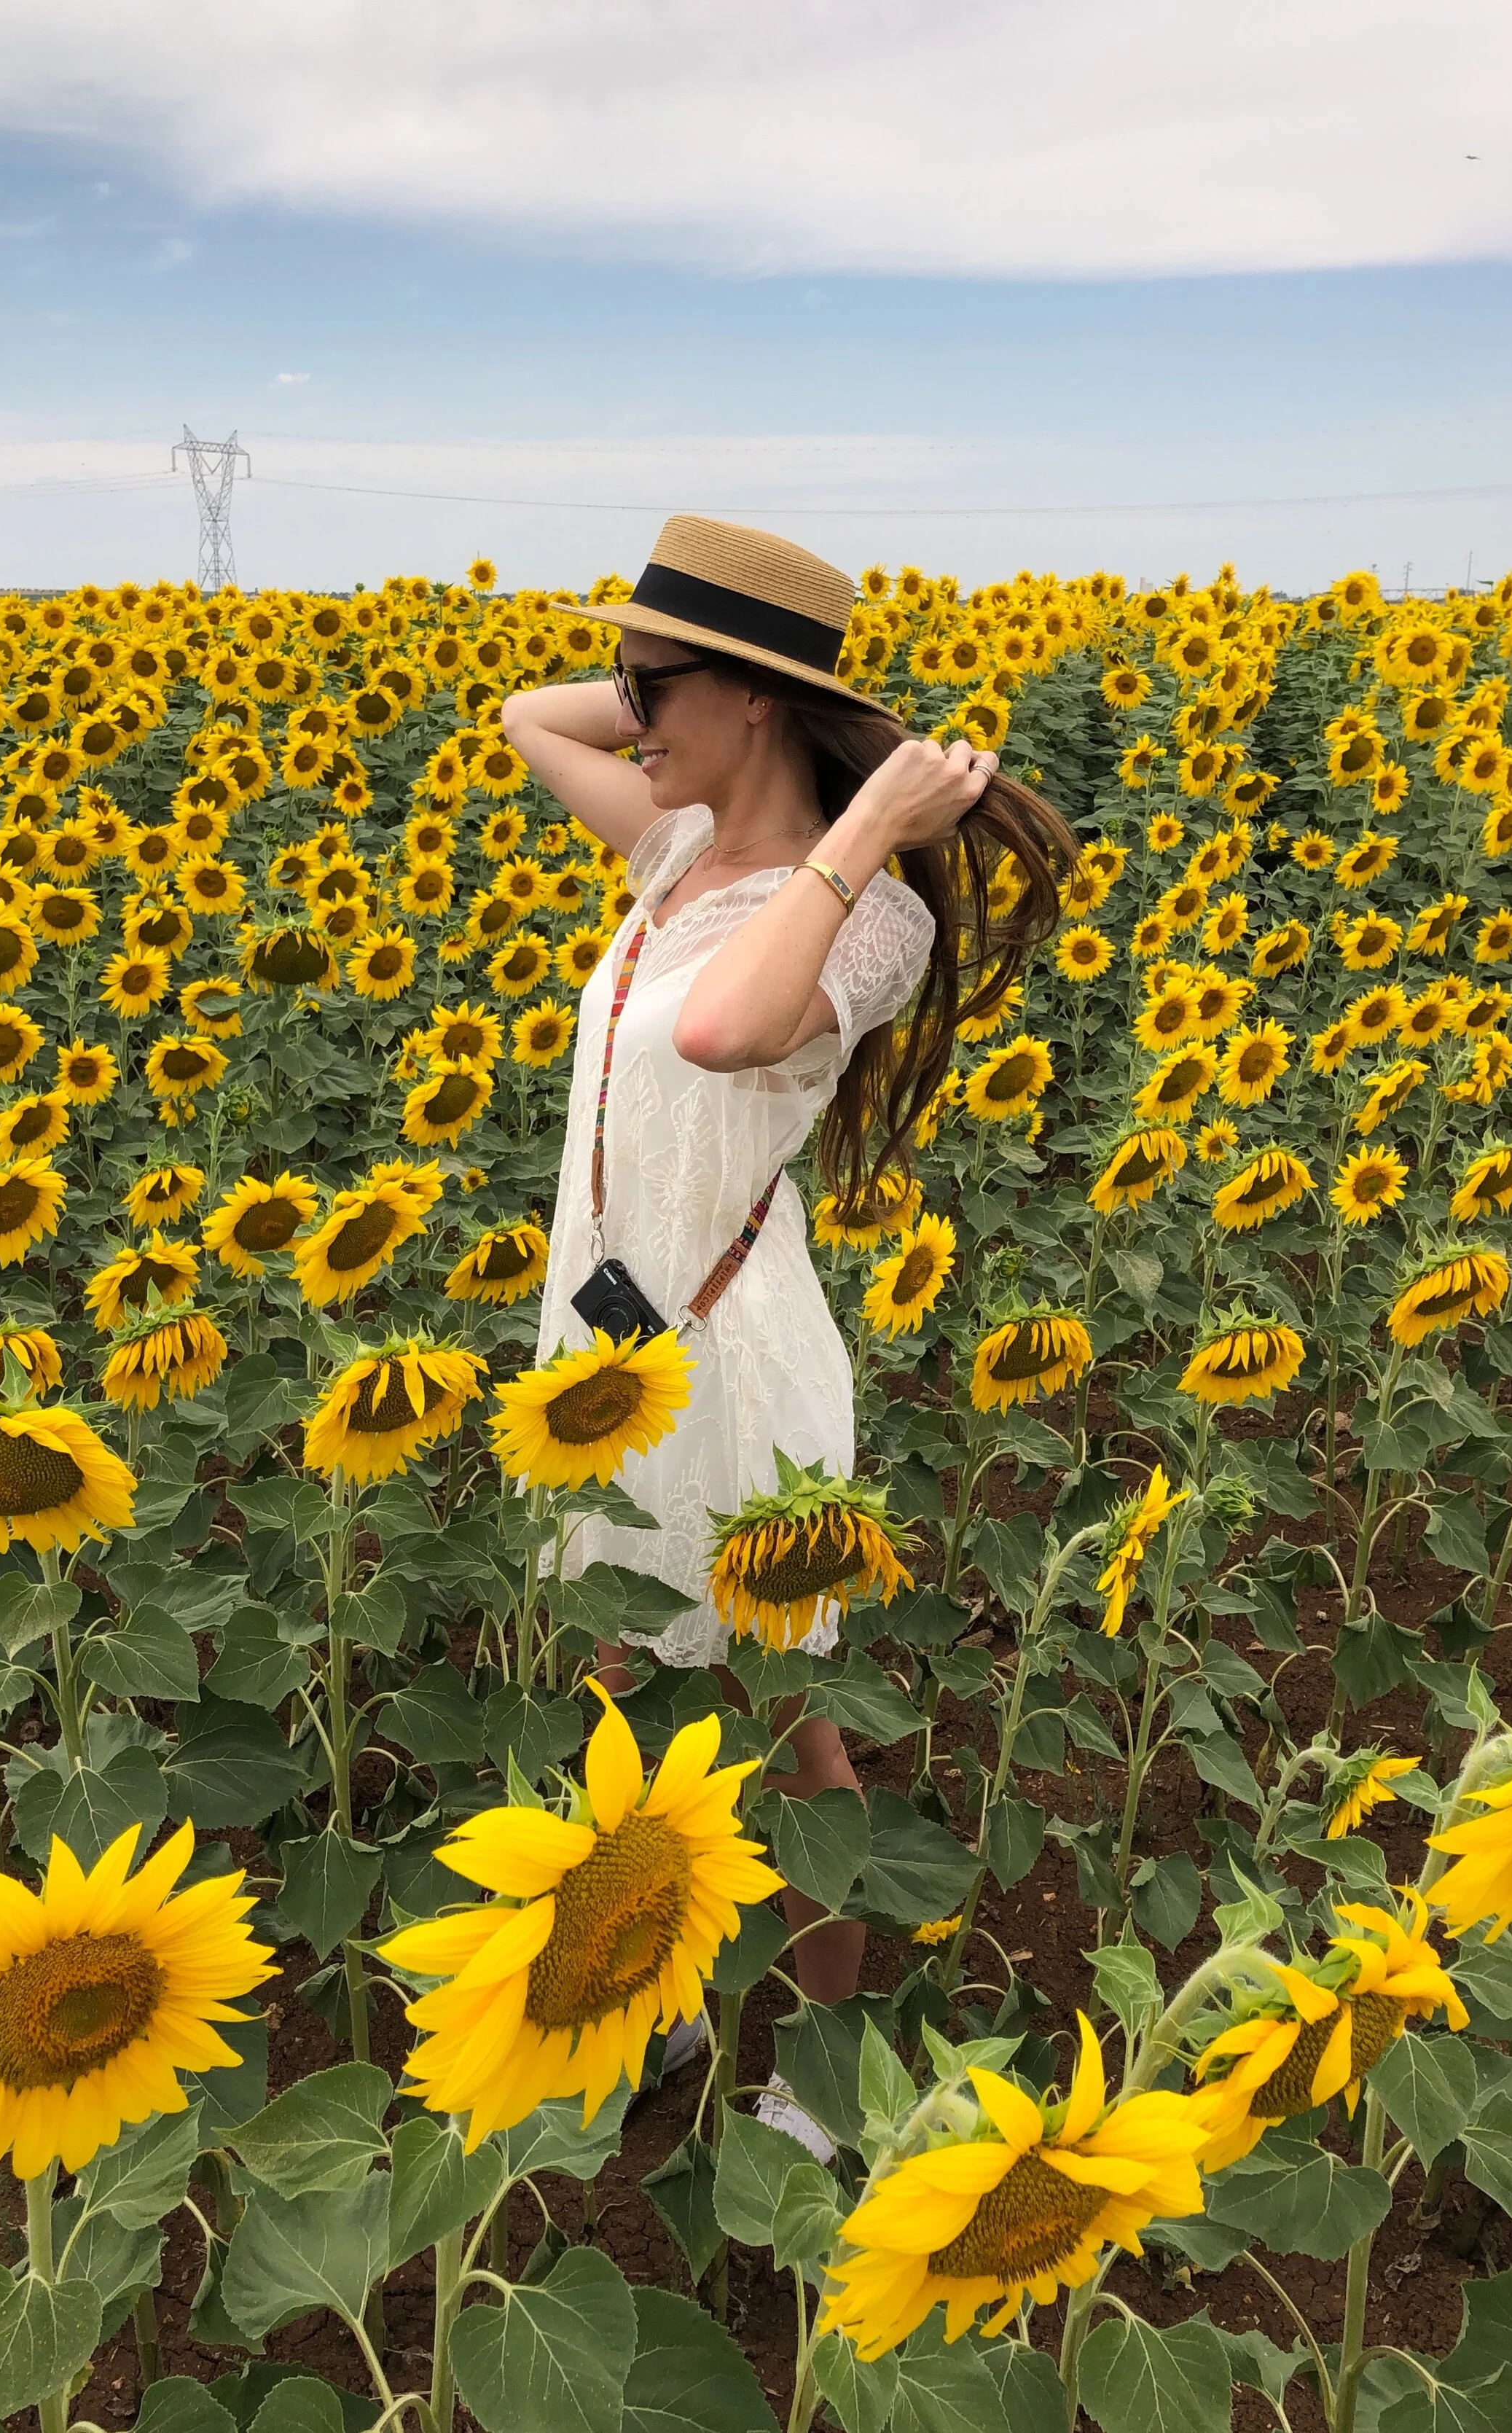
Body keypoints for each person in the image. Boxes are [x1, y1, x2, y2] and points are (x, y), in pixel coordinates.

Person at [501, 517, 1071, 2144]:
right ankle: (669, 2001)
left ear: (751, 700)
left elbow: (727, 1020)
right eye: (627, 673)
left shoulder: (863, 921)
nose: (624, 706)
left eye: (655, 681)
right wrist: (667, 691)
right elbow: (523, 721)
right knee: (623, 1682)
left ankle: (822, 2078)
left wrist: (864, 814)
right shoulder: (675, 852)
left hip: (730, 1368)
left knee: (776, 1717)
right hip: (603, 1350)